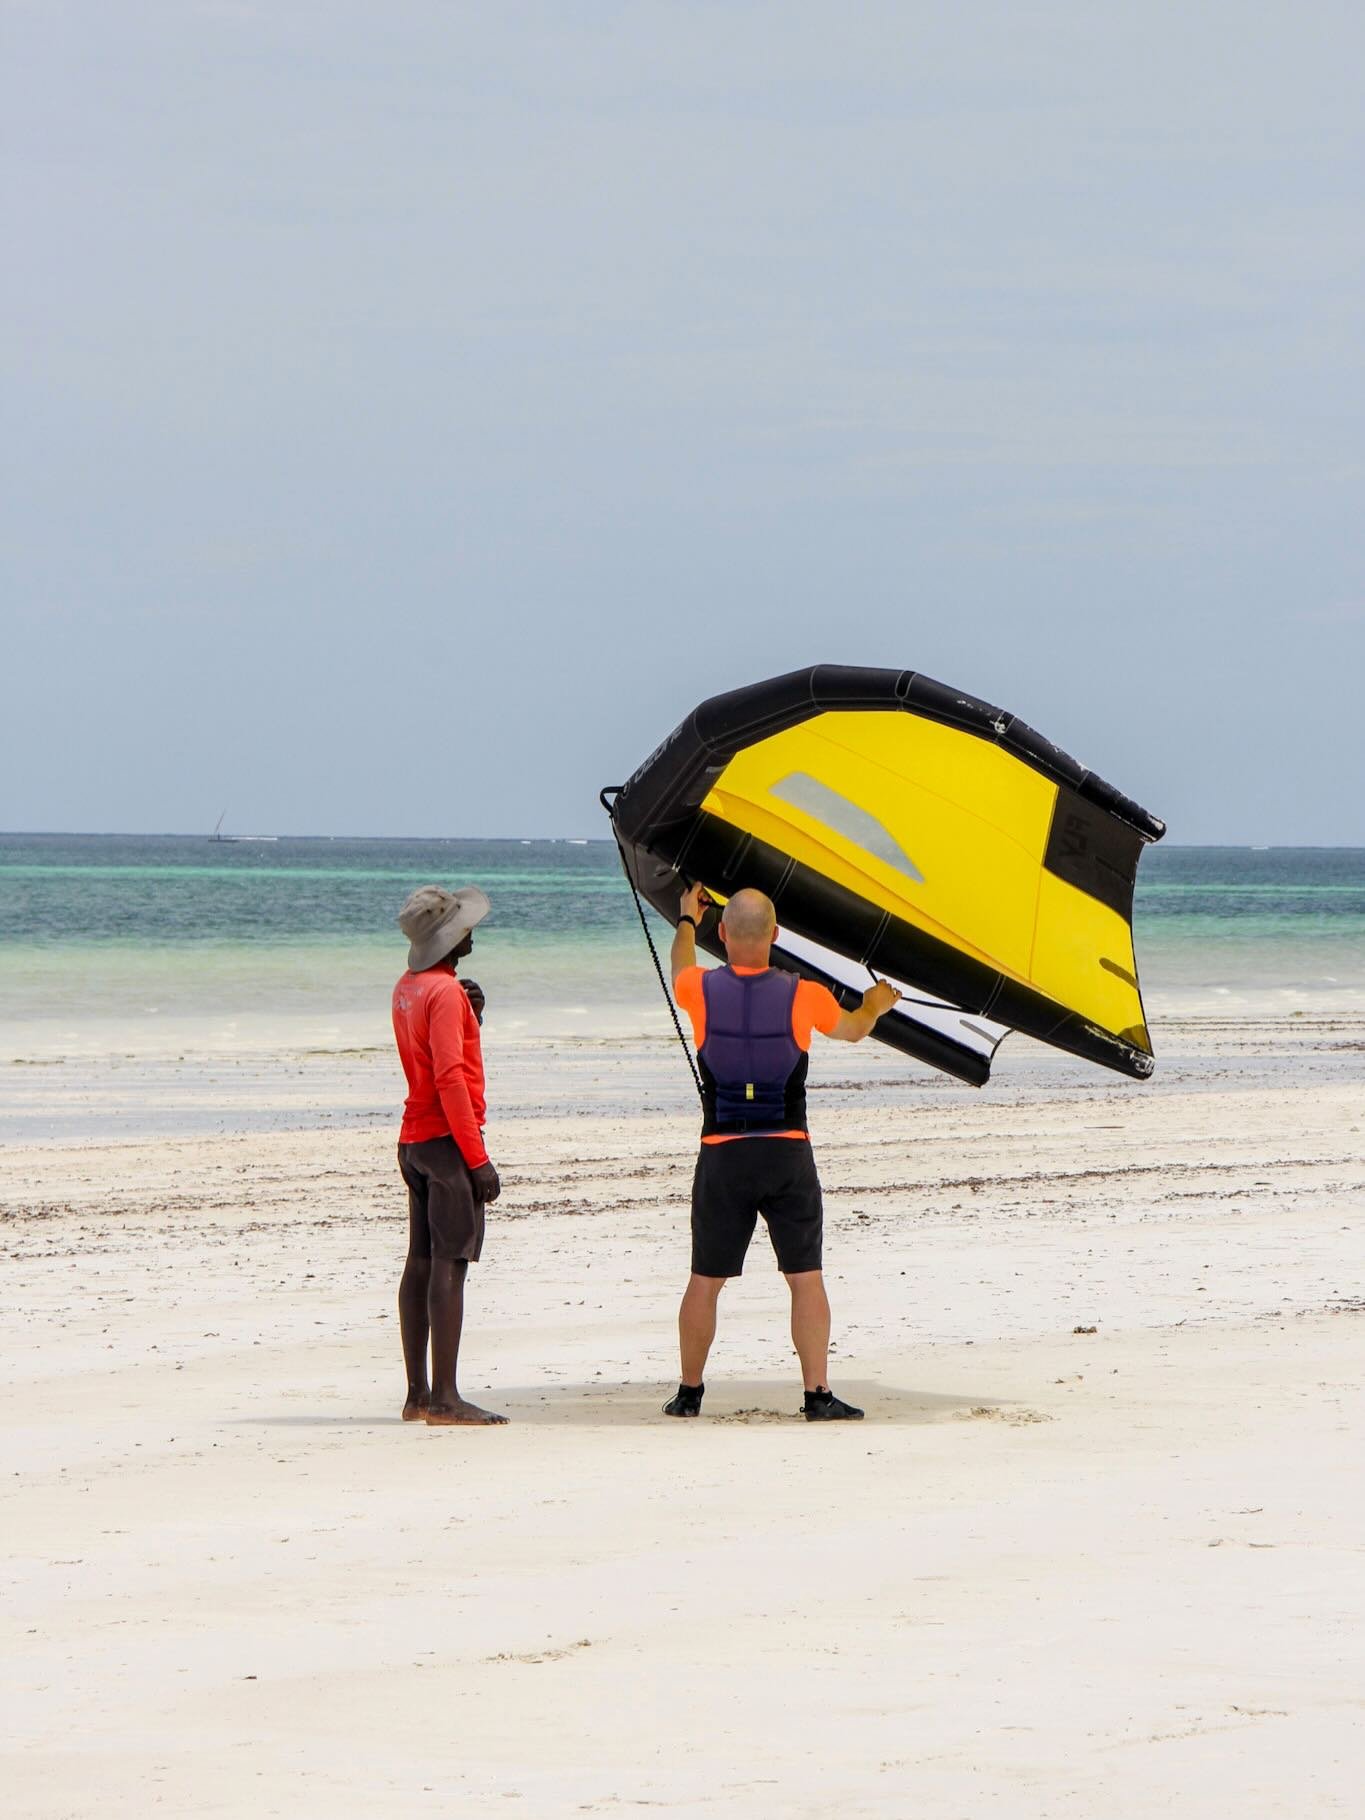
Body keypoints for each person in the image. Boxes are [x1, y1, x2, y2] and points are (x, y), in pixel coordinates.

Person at [665, 884, 900, 1421]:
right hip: (786, 1153)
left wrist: (685, 918)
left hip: (724, 1153)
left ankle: (689, 1395)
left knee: (706, 1278)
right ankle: (817, 1395)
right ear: (774, 935)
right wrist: (874, 1004)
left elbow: (681, 963)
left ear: (721, 935)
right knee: (805, 1276)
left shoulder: (699, 988)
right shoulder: (805, 995)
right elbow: (856, 1029)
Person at [391, 884, 506, 1427]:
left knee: (420, 1261)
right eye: (463, 927)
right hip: (444, 1143)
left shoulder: (409, 988)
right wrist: (476, 1157)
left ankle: (417, 1395)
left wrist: (470, 1014)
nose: (471, 933)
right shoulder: (443, 994)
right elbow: (451, 1077)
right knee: (450, 1265)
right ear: (450, 938)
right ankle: (446, 1398)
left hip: (413, 1141)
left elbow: (434, 1053)